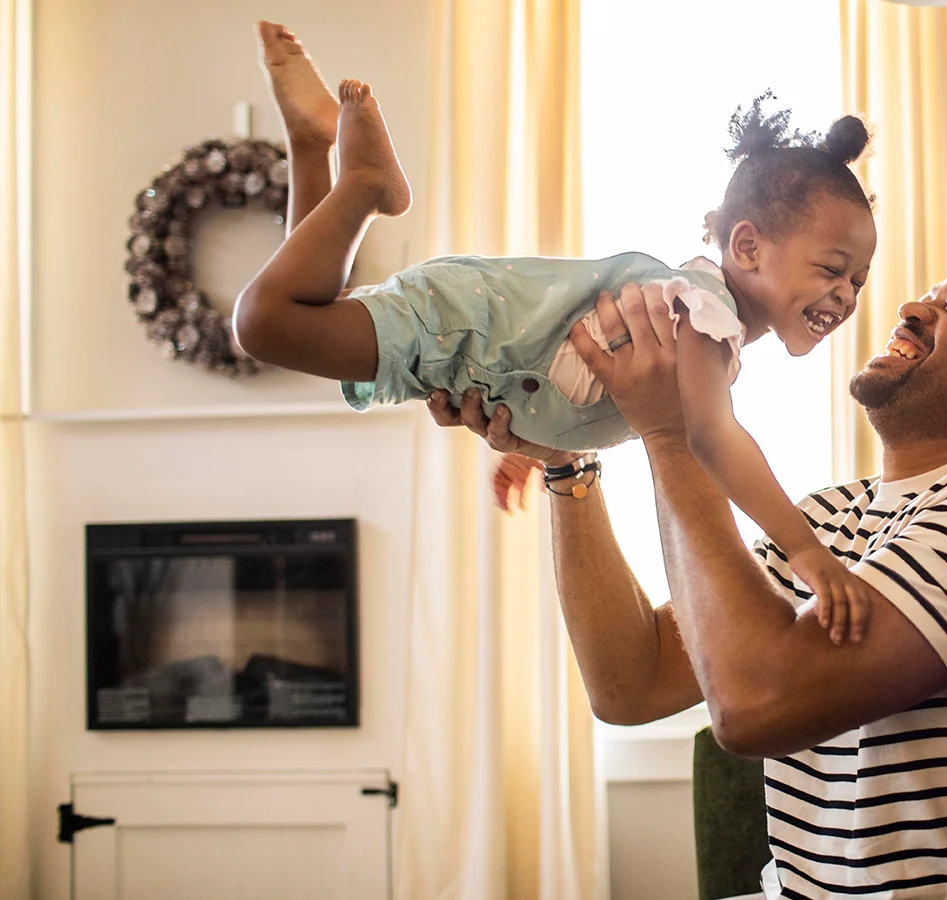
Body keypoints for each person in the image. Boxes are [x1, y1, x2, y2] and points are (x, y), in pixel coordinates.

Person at [433, 234, 947, 899]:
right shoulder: (832, 517)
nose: (911, 309)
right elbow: (630, 684)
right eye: (927, 294)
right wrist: (568, 463)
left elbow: (751, 705)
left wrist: (672, 429)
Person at [237, 23, 880, 641]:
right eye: (832, 269)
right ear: (748, 245)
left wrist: (534, 444)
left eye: (859, 280)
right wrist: (807, 552)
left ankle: (310, 143)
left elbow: (568, 359)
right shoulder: (705, 317)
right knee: (266, 323)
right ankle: (364, 183)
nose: (846, 295)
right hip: (463, 328)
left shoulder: (696, 307)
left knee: (311, 308)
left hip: (465, 339)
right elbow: (712, 438)